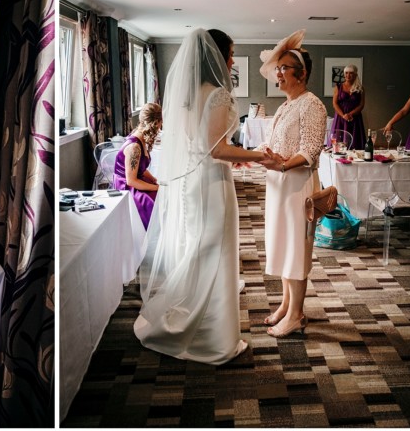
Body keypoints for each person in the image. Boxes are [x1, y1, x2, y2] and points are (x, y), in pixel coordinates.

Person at [134, 29, 279, 363]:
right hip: (212, 185)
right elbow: (216, 150)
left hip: (192, 183)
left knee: (199, 248)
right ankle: (215, 340)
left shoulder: (186, 95)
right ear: (215, 56)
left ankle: (197, 323)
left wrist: (238, 159)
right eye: (229, 55)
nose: (230, 62)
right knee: (217, 250)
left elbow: (198, 146)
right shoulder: (218, 95)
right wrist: (259, 155)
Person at [258, 31, 327, 338]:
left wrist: (283, 164)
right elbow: (278, 142)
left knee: (296, 250)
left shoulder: (312, 105)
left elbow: (310, 150)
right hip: (280, 186)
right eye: (279, 68)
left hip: (297, 187)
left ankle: (297, 315)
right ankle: (286, 305)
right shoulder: (288, 104)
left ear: (302, 74)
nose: (279, 72)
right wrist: (259, 154)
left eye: (285, 68)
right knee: (284, 246)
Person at [111, 102, 161, 228]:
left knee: (163, 194)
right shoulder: (134, 147)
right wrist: (156, 188)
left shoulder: (142, 139)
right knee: (155, 202)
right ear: (154, 124)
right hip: (127, 187)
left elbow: (140, 169)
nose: (160, 129)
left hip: (135, 180)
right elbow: (131, 180)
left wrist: (154, 180)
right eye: (159, 125)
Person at [329, 64, 366, 148]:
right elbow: (335, 103)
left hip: (355, 118)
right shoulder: (338, 87)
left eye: (351, 73)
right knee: (338, 142)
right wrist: (343, 115)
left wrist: (350, 114)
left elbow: (361, 104)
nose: (348, 75)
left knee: (356, 143)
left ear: (355, 74)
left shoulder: (361, 88)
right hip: (340, 118)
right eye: (346, 73)